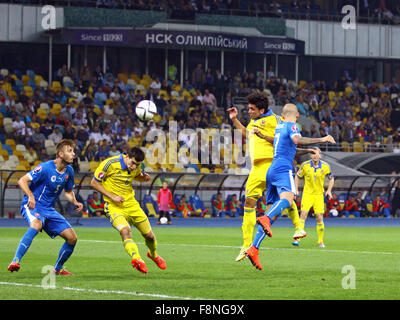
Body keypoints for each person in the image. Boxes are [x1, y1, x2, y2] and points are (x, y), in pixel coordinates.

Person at [245, 104, 335, 270]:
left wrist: (262, 135)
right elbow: (296, 140)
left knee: (271, 213)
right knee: (289, 197)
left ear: (282, 114)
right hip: (283, 168)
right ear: (297, 115)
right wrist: (322, 139)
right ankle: (264, 219)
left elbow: (284, 145)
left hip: (271, 170)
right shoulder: (293, 125)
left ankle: (253, 248)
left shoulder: (280, 127)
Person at [227, 93, 301, 262]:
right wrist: (234, 120)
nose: (249, 111)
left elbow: (284, 137)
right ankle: (246, 245)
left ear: (262, 109)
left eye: (252, 109)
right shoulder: (253, 121)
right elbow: (247, 134)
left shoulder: (275, 120)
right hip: (255, 169)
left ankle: (298, 227)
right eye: (248, 108)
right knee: (249, 203)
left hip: (272, 164)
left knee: (285, 197)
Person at [8, 139, 83, 275]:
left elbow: (68, 192)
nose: (73, 154)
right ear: (60, 154)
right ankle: (15, 260)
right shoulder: (45, 168)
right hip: (33, 205)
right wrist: (30, 196)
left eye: (73, 151)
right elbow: (22, 180)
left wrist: (75, 201)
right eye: (70, 151)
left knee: (72, 238)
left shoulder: (69, 171)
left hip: (48, 209)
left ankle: (57, 269)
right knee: (36, 224)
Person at [90, 147, 166, 274]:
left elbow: (137, 175)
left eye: (137, 164)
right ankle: (137, 259)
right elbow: (94, 183)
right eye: (132, 163)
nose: (134, 166)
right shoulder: (109, 164)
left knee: (149, 236)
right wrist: (112, 196)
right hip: (113, 207)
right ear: (127, 156)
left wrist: (143, 178)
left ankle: (153, 254)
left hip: (132, 205)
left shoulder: (136, 166)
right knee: (125, 231)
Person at [295, 150, 335, 248]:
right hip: (307, 194)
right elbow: (297, 176)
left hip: (318, 195)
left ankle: (320, 241)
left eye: (317, 153)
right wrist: (296, 189)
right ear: (310, 155)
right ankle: (297, 239)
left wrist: (329, 190)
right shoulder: (305, 165)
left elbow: (331, 178)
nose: (315, 156)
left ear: (320, 155)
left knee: (319, 217)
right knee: (303, 215)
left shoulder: (326, 166)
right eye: (313, 153)